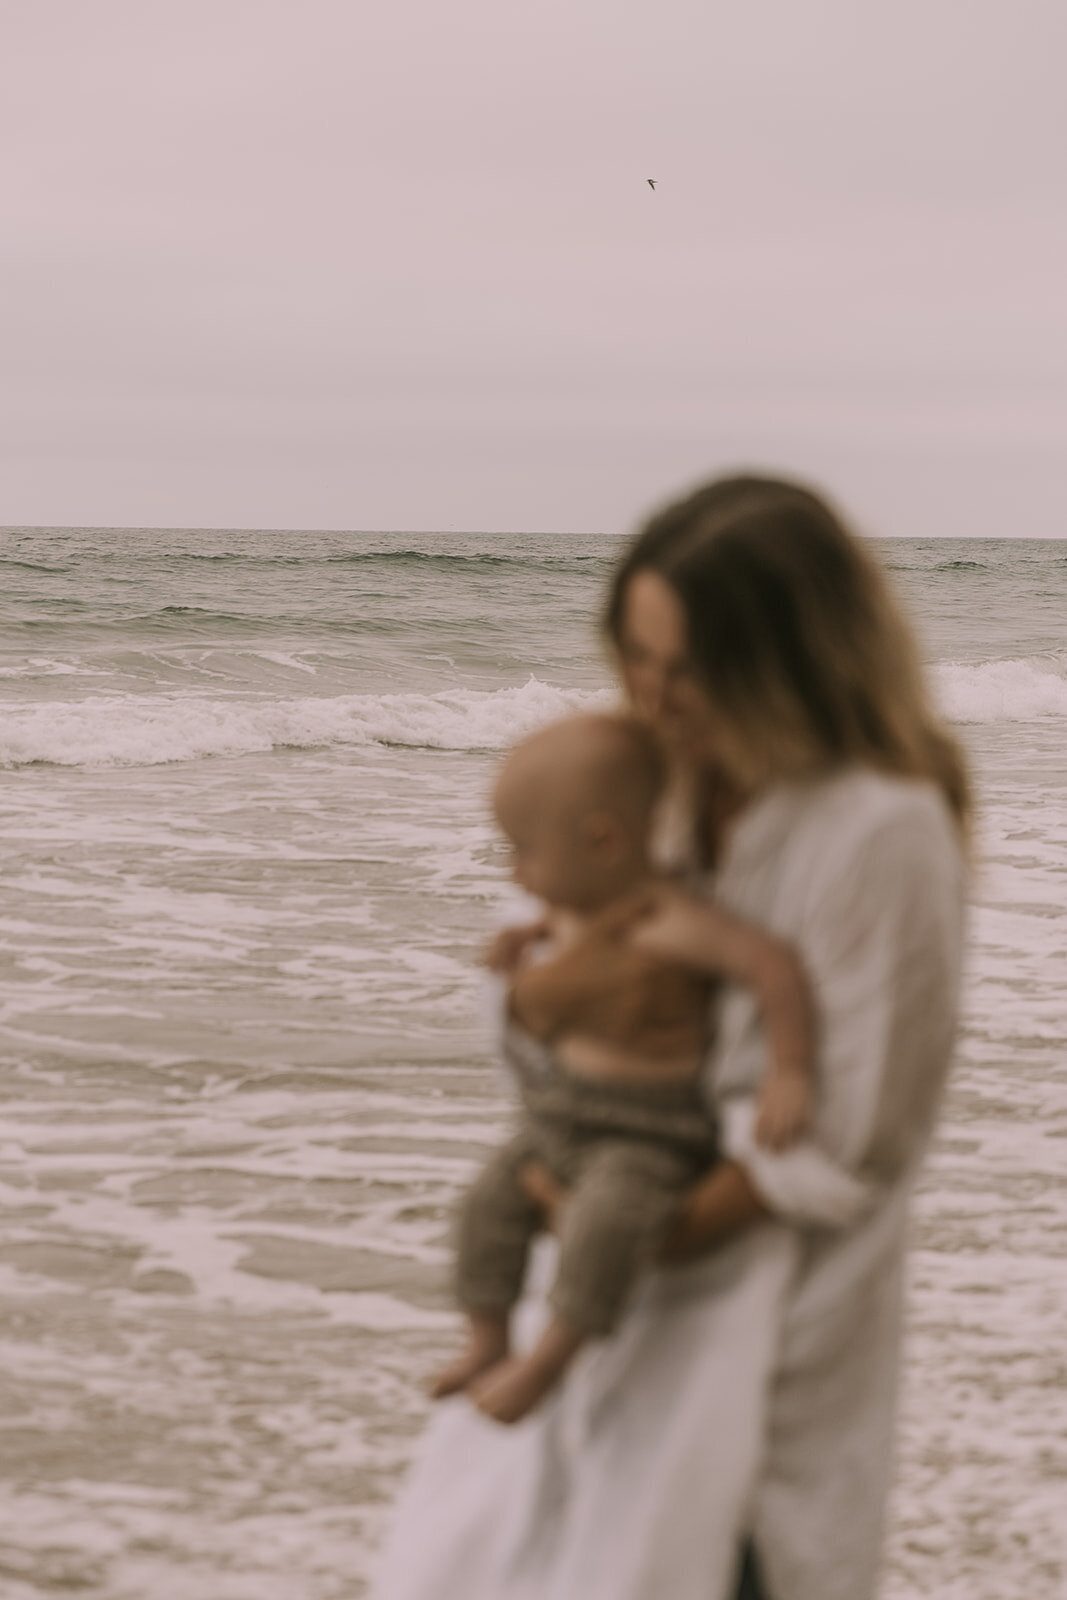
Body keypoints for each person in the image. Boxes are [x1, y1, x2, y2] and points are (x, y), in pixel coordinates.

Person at [371, 474, 968, 1600]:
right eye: (634, 655)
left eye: (685, 666)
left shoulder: (877, 830)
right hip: (598, 1274)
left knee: (711, 1563)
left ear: (789, 656)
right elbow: (533, 993)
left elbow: (848, 1144)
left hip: (759, 1338)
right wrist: (564, 1153)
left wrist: (625, 1218)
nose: (652, 692)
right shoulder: (650, 778)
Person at [431, 710, 815, 1425]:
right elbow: (557, 926)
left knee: (606, 1224)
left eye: (521, 851)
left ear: (600, 841)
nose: (516, 872)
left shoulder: (665, 917)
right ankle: (485, 1340)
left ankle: (548, 1360)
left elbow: (768, 966)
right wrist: (525, 933)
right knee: (485, 1204)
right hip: (559, 1111)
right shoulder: (572, 905)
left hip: (649, 1130)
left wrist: (789, 1070)